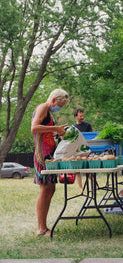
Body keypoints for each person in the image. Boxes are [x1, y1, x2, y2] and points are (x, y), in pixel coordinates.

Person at [31, 89, 69, 236]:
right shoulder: (42, 107)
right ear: (53, 100)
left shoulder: (48, 112)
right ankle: (41, 228)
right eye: (60, 105)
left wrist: (58, 132)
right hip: (42, 156)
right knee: (45, 189)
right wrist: (55, 128)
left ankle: (44, 226)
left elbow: (45, 130)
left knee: (50, 189)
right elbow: (34, 128)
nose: (59, 108)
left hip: (49, 155)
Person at [71, 108, 93, 188]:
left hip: (84, 149)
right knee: (77, 169)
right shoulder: (73, 127)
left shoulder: (88, 125)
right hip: (75, 149)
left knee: (84, 169)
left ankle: (93, 181)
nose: (82, 117)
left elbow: (89, 138)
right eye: (80, 116)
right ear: (76, 116)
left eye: (83, 115)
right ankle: (80, 187)